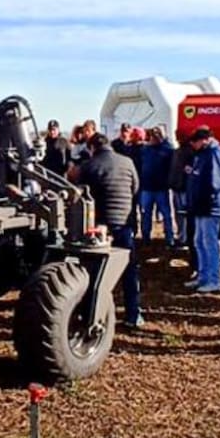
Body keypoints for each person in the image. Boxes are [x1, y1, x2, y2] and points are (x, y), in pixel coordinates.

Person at [77, 133, 143, 328]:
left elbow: (82, 196)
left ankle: (93, 315)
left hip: (100, 226)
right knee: (129, 271)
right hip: (124, 223)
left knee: (96, 272)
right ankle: (133, 315)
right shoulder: (127, 162)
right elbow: (135, 188)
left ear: (92, 147)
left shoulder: (90, 166)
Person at [186, 127, 220, 293]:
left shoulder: (215, 154)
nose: (193, 146)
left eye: (195, 142)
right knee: (199, 242)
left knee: (209, 243)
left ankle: (214, 279)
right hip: (200, 206)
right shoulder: (204, 154)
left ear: (204, 140)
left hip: (210, 207)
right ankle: (203, 276)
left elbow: (215, 183)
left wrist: (202, 194)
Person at [139, 126, 176, 245]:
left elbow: (173, 167)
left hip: (162, 188)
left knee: (166, 214)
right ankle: (145, 237)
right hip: (146, 187)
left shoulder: (168, 149)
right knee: (145, 214)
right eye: (154, 134)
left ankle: (169, 237)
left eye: (158, 134)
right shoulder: (145, 149)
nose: (155, 136)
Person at [169, 138, 194, 250]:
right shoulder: (177, 151)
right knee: (180, 214)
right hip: (178, 187)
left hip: (183, 188)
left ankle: (184, 238)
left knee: (182, 214)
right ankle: (182, 236)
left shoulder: (187, 153)